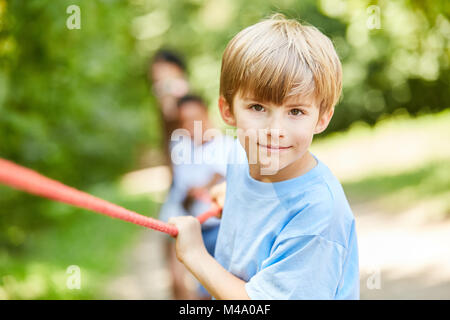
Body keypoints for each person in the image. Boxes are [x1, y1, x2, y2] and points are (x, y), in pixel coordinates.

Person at [168, 14, 360, 299]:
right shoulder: (240, 158)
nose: (275, 130)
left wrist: (196, 256)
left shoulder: (318, 212)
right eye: (258, 107)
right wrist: (233, 194)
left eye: (295, 112)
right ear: (227, 110)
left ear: (322, 118)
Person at [159, 94, 234, 299]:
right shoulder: (179, 146)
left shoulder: (226, 146)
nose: (191, 125)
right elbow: (186, 186)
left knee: (213, 290)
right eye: (185, 120)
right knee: (178, 282)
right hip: (188, 225)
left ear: (206, 114)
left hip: (219, 229)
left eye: (196, 118)